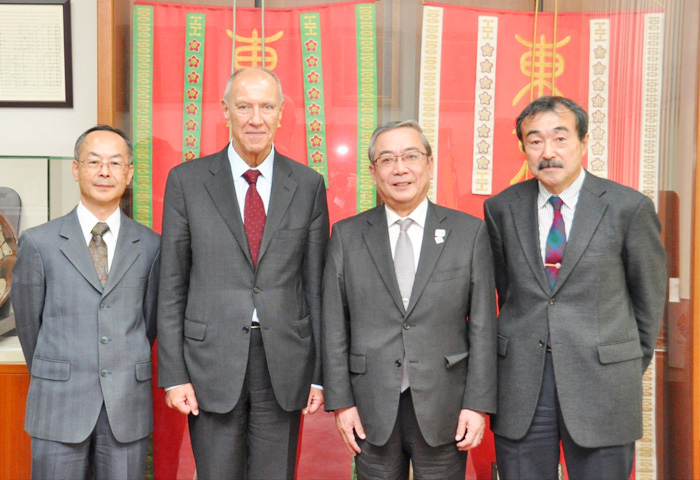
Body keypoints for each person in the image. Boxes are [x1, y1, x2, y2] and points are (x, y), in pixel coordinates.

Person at [157, 67, 329, 480]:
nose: (256, 118)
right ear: (225, 111)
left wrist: (320, 376)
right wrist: (174, 375)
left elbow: (316, 285)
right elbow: (172, 283)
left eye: (267, 106)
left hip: (284, 361)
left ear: (282, 113)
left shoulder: (307, 184)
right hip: (209, 360)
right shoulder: (187, 181)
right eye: (244, 106)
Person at [483, 96, 667, 480]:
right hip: (523, 383)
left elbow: (648, 302)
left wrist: (621, 364)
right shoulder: (501, 208)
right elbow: (505, 291)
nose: (548, 152)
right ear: (523, 149)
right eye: (535, 141)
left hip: (602, 384)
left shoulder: (627, 207)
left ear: (584, 142)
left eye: (560, 138)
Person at [322, 120, 497, 480]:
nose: (400, 168)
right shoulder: (347, 235)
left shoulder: (469, 233)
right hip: (370, 405)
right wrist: (341, 402)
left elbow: (483, 325)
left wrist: (477, 405)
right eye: (387, 160)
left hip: (445, 404)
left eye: (411, 156)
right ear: (372, 172)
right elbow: (333, 324)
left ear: (429, 164)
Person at [11, 125, 160, 479]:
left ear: (129, 173)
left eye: (115, 163)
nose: (104, 172)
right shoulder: (39, 243)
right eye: (94, 162)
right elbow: (30, 324)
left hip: (126, 405)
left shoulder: (152, 245)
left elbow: (150, 322)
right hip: (58, 404)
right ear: (76, 169)